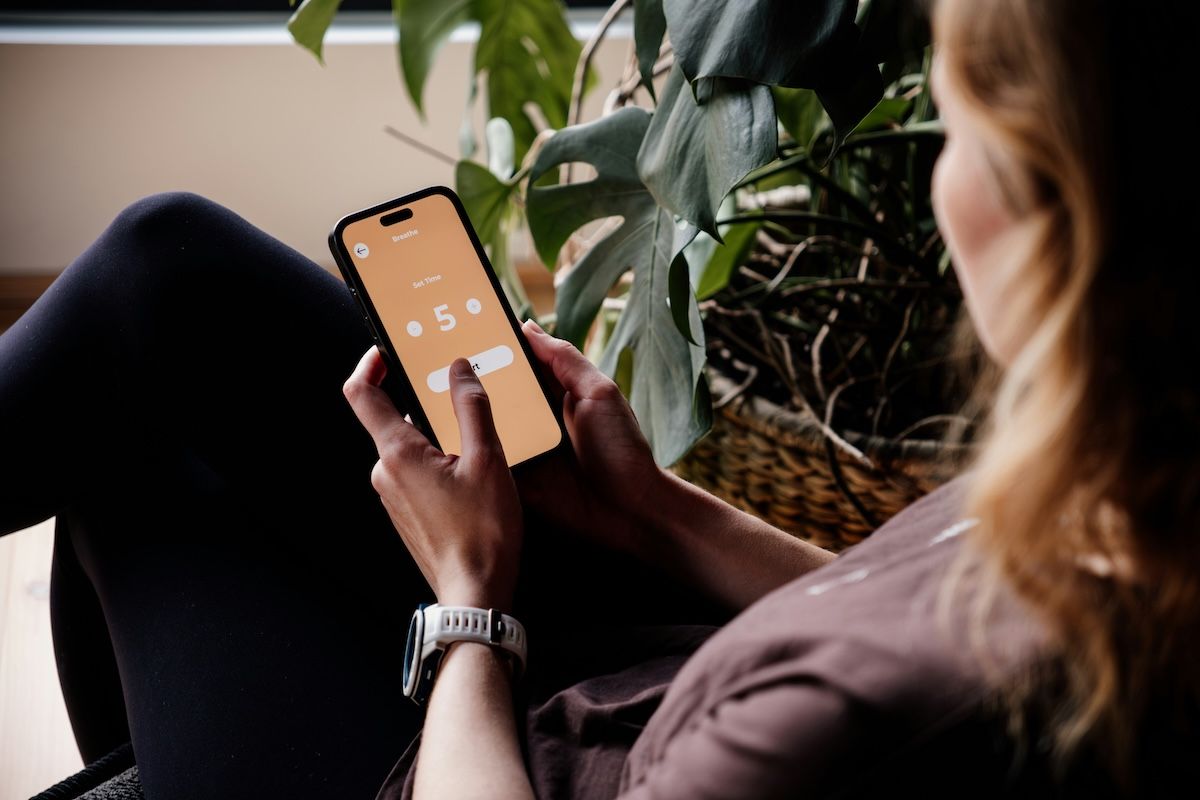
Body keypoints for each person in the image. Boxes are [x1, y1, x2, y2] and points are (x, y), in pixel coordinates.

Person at [2, 0, 1194, 797]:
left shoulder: (834, 730)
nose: (940, 183)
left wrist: (471, 602)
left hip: (473, 757)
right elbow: (933, 600)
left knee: (152, 466)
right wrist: (658, 515)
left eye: (963, 136)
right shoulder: (1137, 471)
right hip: (643, 664)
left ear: (1068, 217)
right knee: (169, 274)